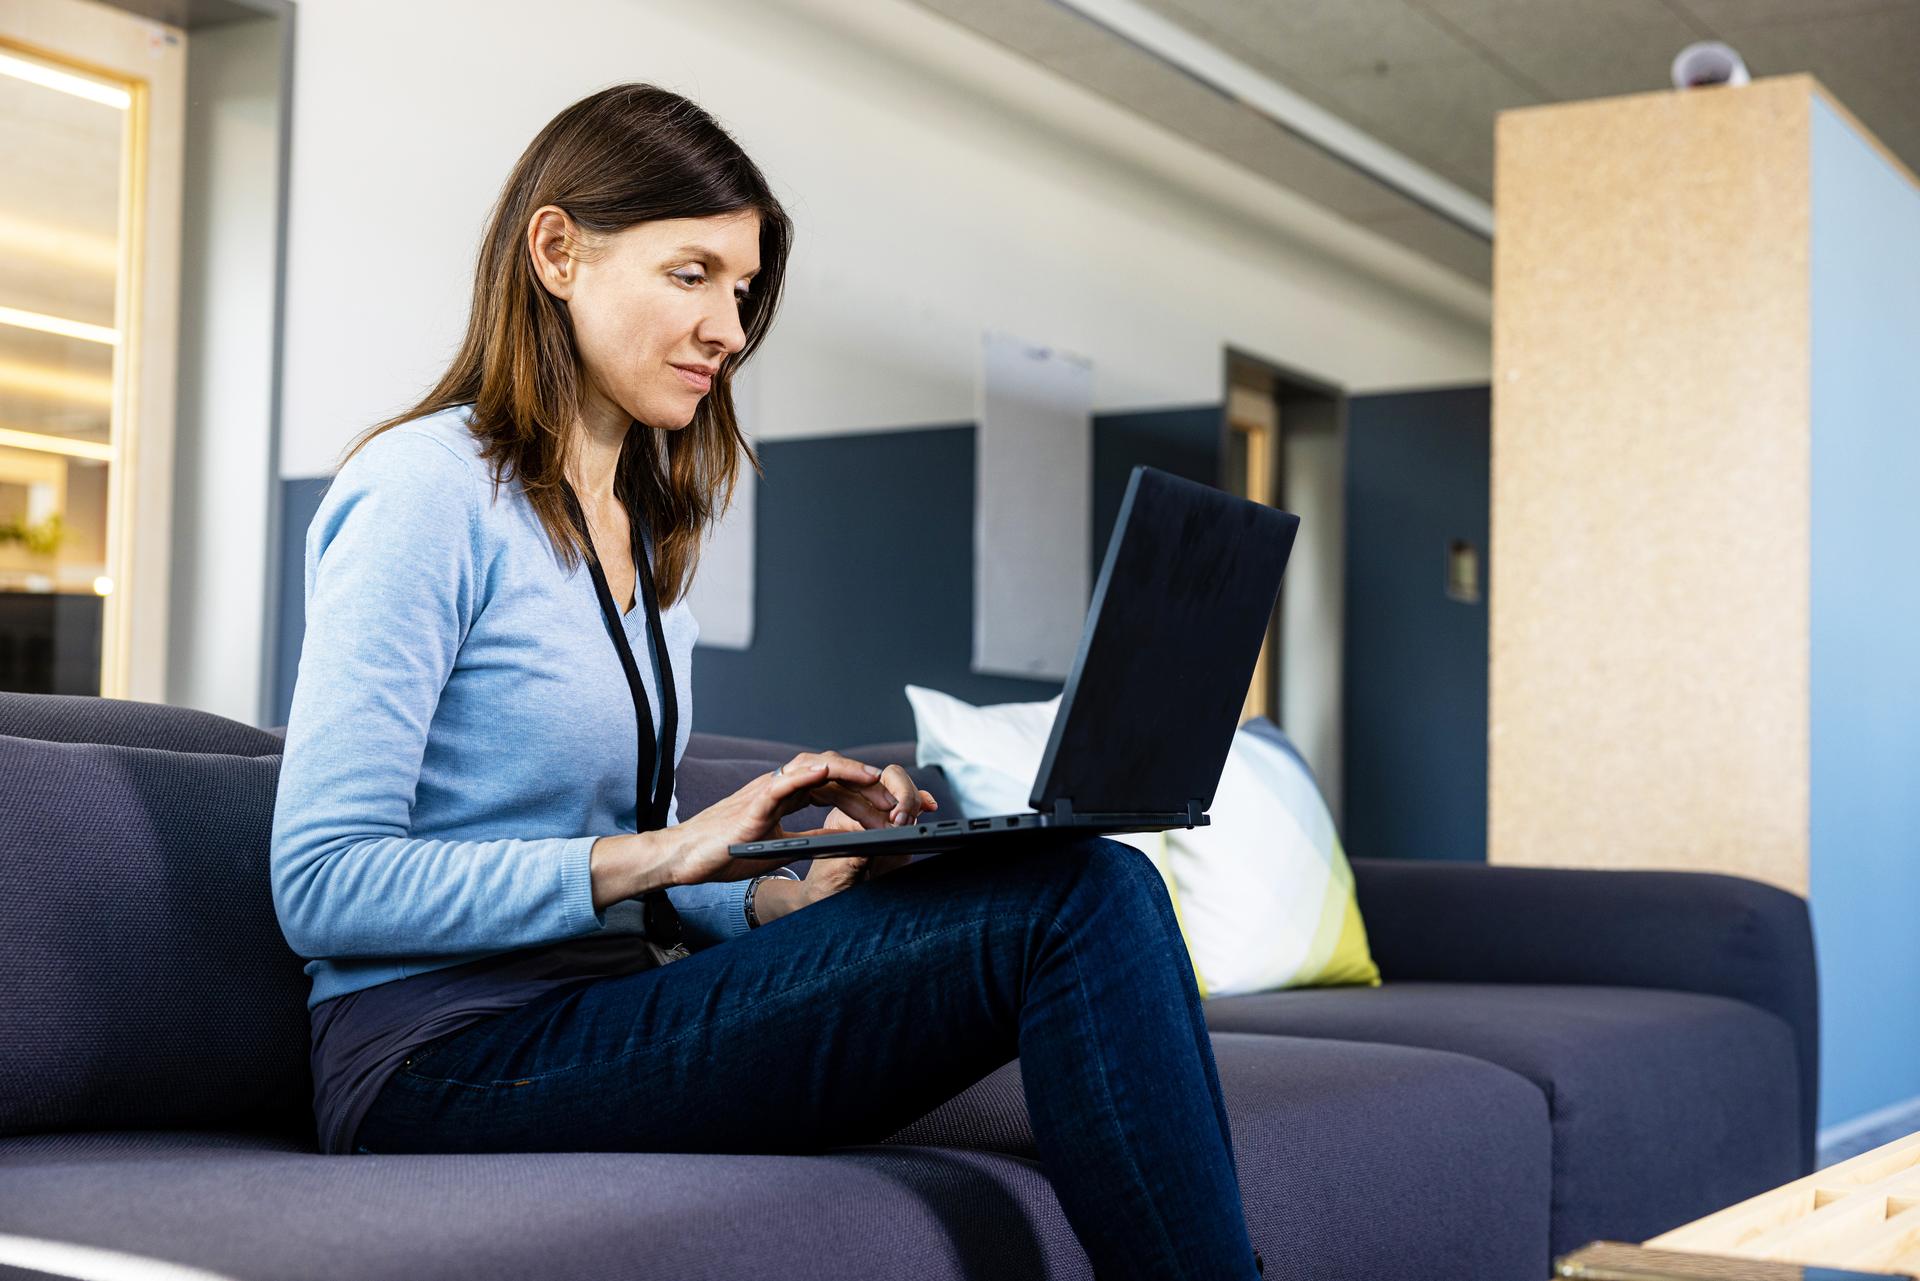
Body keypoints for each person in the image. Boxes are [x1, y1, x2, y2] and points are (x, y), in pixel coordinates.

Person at [268, 82, 1262, 1280]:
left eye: (740, 291)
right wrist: (664, 853)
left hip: (600, 1008)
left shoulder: (648, 529)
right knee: (1079, 901)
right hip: (438, 1056)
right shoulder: (423, 493)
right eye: (692, 275)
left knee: (1077, 871)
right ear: (557, 250)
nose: (730, 328)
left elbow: (617, 855)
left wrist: (770, 900)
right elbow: (321, 884)